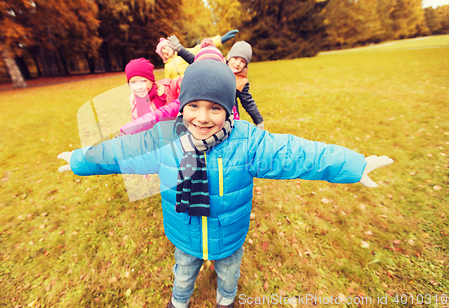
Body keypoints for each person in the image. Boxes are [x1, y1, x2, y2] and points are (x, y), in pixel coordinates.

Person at [57, 60, 393, 308]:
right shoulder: (163, 140)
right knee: (184, 272)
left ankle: (226, 300)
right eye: (193, 107)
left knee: (229, 274)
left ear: (229, 110)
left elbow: (297, 154)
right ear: (182, 107)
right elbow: (119, 151)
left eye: (214, 108)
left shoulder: (248, 142)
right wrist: (79, 159)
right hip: (185, 233)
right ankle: (178, 302)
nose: (202, 118)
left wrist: (354, 165)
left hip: (228, 234)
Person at [119, 46, 237, 136]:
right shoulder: (187, 98)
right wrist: (128, 131)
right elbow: (159, 114)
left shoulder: (226, 99)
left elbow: (236, 121)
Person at [169, 37, 265, 130]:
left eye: (243, 61)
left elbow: (248, 103)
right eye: (235, 58)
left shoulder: (241, 82)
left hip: (227, 117)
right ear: (229, 56)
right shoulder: (217, 65)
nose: (237, 63)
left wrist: (258, 120)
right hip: (207, 113)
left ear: (245, 65)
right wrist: (180, 49)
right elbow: (195, 60)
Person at [156, 30, 239, 80]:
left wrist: (221, 39)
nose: (165, 52)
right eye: (162, 53)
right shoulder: (167, 66)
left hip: (192, 81)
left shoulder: (184, 52)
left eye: (165, 48)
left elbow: (200, 46)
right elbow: (168, 81)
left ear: (172, 45)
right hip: (178, 89)